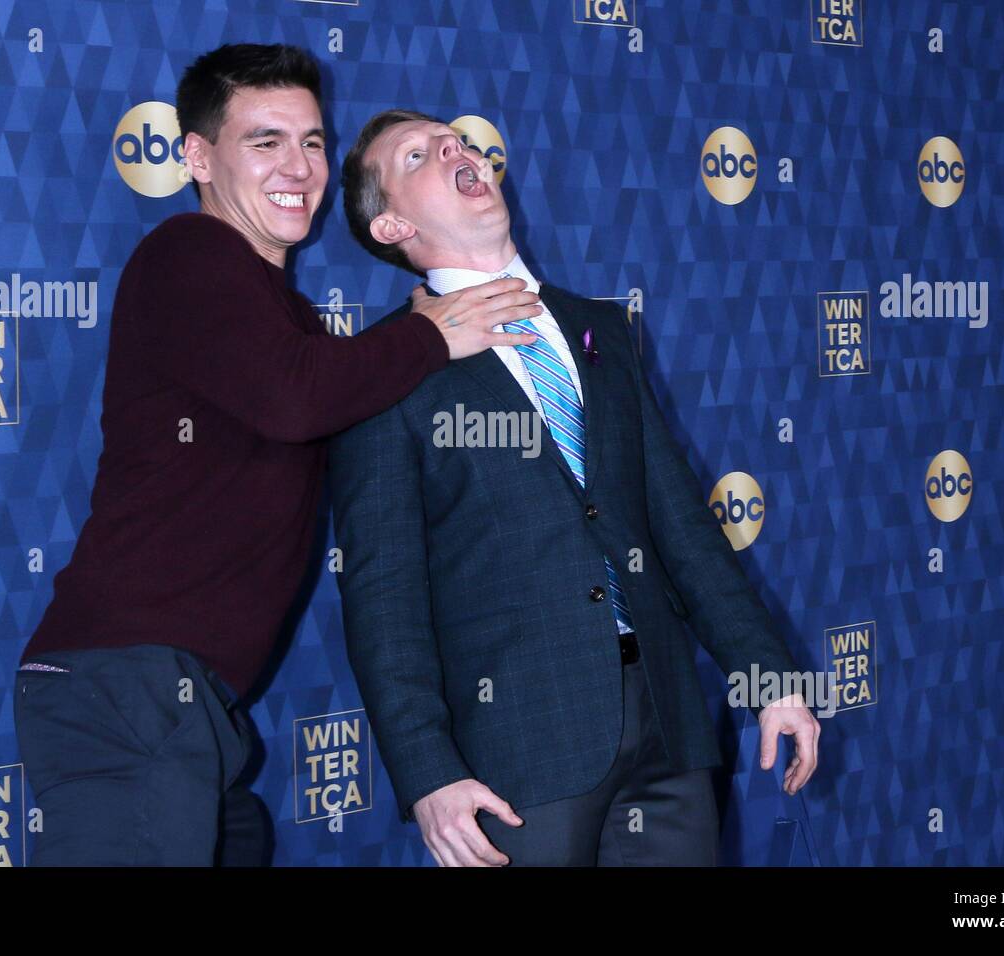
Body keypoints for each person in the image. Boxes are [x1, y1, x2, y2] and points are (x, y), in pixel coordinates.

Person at [12, 48, 541, 866]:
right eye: (265, 142)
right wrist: (429, 333)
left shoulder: (284, 317)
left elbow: (331, 409)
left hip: (187, 710)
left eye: (314, 142)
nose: (299, 168)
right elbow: (298, 399)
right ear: (197, 157)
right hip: (127, 689)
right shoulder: (189, 253)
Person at [330, 108, 821, 866]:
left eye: (455, 138)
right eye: (420, 155)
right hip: (518, 756)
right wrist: (429, 774)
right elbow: (383, 596)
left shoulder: (602, 329)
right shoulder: (385, 371)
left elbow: (680, 526)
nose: (456, 148)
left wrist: (767, 677)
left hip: (669, 729)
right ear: (391, 227)